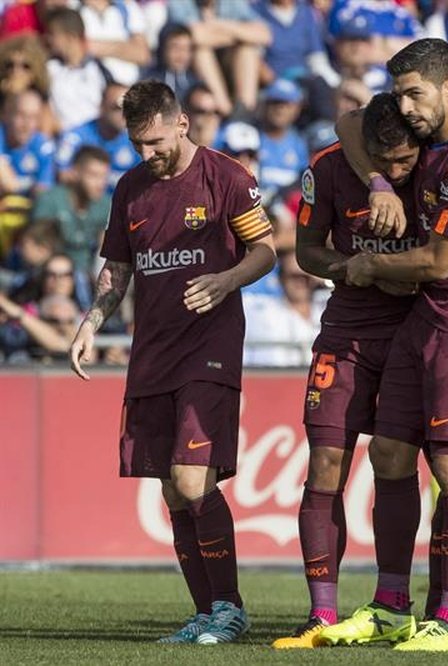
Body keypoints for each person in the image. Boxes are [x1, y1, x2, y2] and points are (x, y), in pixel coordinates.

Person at [318, 38, 448, 653]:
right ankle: (390, 605)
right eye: (400, 92)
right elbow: (350, 119)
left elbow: (434, 263)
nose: (405, 107)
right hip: (423, 321)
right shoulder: (446, 122)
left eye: (414, 94)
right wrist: (379, 181)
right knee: (389, 452)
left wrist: (367, 268)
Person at [67, 80, 276, 645]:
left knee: (191, 478)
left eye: (155, 141)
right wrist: (91, 322)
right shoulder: (130, 189)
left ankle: (229, 607)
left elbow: (266, 250)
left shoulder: (226, 176)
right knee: (170, 489)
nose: (147, 154)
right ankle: (207, 612)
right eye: (138, 144)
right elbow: (117, 266)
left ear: (182, 123)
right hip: (152, 351)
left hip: (209, 347)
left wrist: (226, 279)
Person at [269, 92, 422, 649]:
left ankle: (394, 602)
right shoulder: (329, 168)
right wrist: (352, 269)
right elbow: (308, 252)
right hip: (347, 331)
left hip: (416, 333)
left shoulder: (435, 166)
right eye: (391, 164)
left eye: (407, 161)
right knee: (326, 463)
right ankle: (322, 612)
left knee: (398, 462)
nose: (401, 171)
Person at [32, 145, 113, 284]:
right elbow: (36, 248)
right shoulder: (50, 200)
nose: (100, 183)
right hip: (51, 276)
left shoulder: (105, 204)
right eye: (94, 175)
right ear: (75, 172)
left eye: (104, 177)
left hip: (88, 275)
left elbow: (105, 247)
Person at [55, 82, 140, 191]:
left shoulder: (137, 141)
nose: (124, 113)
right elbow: (62, 174)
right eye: (117, 107)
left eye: (129, 107)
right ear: (102, 106)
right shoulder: (75, 137)